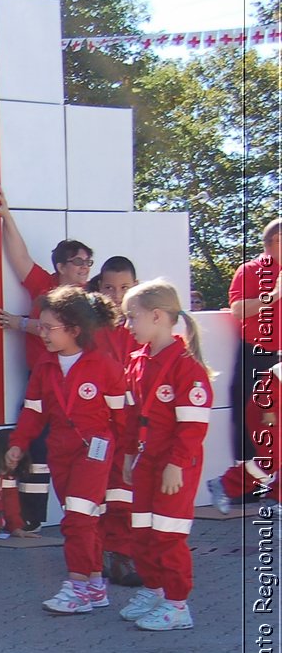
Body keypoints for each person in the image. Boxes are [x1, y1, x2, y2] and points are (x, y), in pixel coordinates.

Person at [3, 288, 128, 614]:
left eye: (49, 327)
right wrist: (18, 444)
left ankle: (77, 586)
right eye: (40, 326)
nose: (41, 333)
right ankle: (96, 585)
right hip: (60, 451)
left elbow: (123, 419)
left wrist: (128, 458)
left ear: (74, 330)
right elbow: (32, 412)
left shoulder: (105, 366)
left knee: (76, 518)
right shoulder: (44, 367)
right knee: (87, 519)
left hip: (96, 450)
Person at [0, 185, 94, 532]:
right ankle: (31, 518)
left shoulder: (89, 301)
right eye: (79, 262)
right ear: (61, 266)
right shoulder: (44, 286)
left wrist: (24, 324)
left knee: (69, 450)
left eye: (88, 262)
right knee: (32, 447)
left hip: (76, 387)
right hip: (40, 379)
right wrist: (7, 217)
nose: (85, 268)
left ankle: (80, 520)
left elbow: (70, 330)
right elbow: (19, 257)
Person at [117, 279, 212, 631]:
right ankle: (153, 590)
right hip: (145, 460)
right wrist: (128, 455)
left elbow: (192, 427)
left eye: (131, 317)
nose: (127, 325)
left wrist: (175, 465)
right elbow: (131, 417)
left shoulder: (186, 367)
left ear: (156, 316)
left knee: (168, 535)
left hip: (174, 465)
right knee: (141, 531)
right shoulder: (138, 361)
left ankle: (177, 605)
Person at [86, 255, 143, 585]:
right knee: (97, 494)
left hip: (133, 427)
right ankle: (99, 555)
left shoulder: (145, 324)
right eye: (109, 287)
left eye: (124, 287)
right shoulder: (91, 328)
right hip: (98, 426)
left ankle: (122, 555)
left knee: (125, 492)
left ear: (136, 286)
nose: (117, 294)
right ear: (99, 287)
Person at [228, 219, 280, 460]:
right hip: (256, 354)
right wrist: (274, 296)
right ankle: (246, 484)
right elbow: (238, 309)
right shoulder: (249, 270)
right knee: (247, 417)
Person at [208, 361, 279, 513]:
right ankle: (224, 484)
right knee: (271, 459)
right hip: (268, 412)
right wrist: (268, 408)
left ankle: (275, 500)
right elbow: (270, 380)